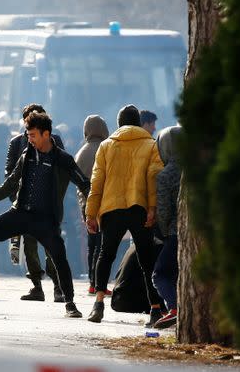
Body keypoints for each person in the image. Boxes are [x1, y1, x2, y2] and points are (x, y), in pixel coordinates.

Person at [0, 112, 89, 319]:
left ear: (46, 134)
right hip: (20, 213)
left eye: (33, 135)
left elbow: (84, 184)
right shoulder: (26, 155)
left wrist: (92, 209)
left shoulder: (63, 159)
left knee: (59, 257)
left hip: (46, 220)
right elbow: (11, 184)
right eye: (28, 134)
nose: (29, 139)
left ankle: (70, 303)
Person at [85, 104, 165, 325]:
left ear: (119, 124)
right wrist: (152, 208)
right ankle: (155, 309)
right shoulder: (151, 145)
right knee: (146, 258)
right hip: (139, 207)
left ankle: (98, 303)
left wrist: (90, 213)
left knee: (106, 254)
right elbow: (153, 177)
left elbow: (97, 182)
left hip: (112, 207)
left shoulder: (106, 146)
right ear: (139, 123)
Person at [5, 104, 65, 303]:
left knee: (51, 246)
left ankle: (58, 287)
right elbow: (9, 175)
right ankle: (37, 286)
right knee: (29, 246)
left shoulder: (54, 141)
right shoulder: (16, 143)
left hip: (48, 205)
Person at [73, 114, 110, 295]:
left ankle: (92, 282)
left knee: (91, 243)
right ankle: (98, 283)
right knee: (102, 244)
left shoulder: (81, 151)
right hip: (102, 202)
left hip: (85, 203)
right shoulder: (105, 149)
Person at [151, 126, 182, 329]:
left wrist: (161, 232)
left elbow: (163, 211)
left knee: (160, 274)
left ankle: (174, 308)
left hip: (175, 233)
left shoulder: (165, 175)